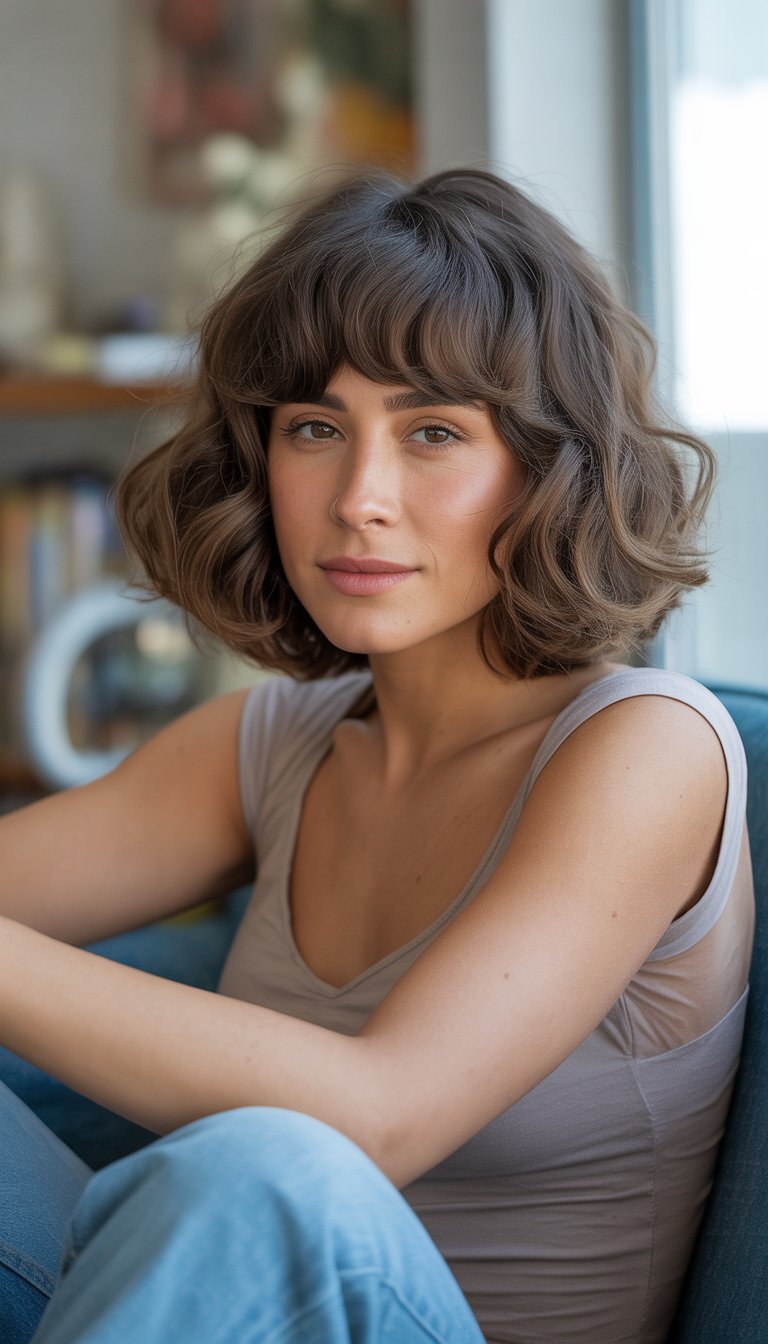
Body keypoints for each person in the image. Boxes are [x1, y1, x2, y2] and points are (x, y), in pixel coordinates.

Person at [0, 167, 754, 1344]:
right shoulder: (272, 748)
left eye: (434, 433)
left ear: (550, 468)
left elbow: (378, 1115)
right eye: (315, 428)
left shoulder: (646, 751)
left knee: (266, 1169)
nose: (359, 498)